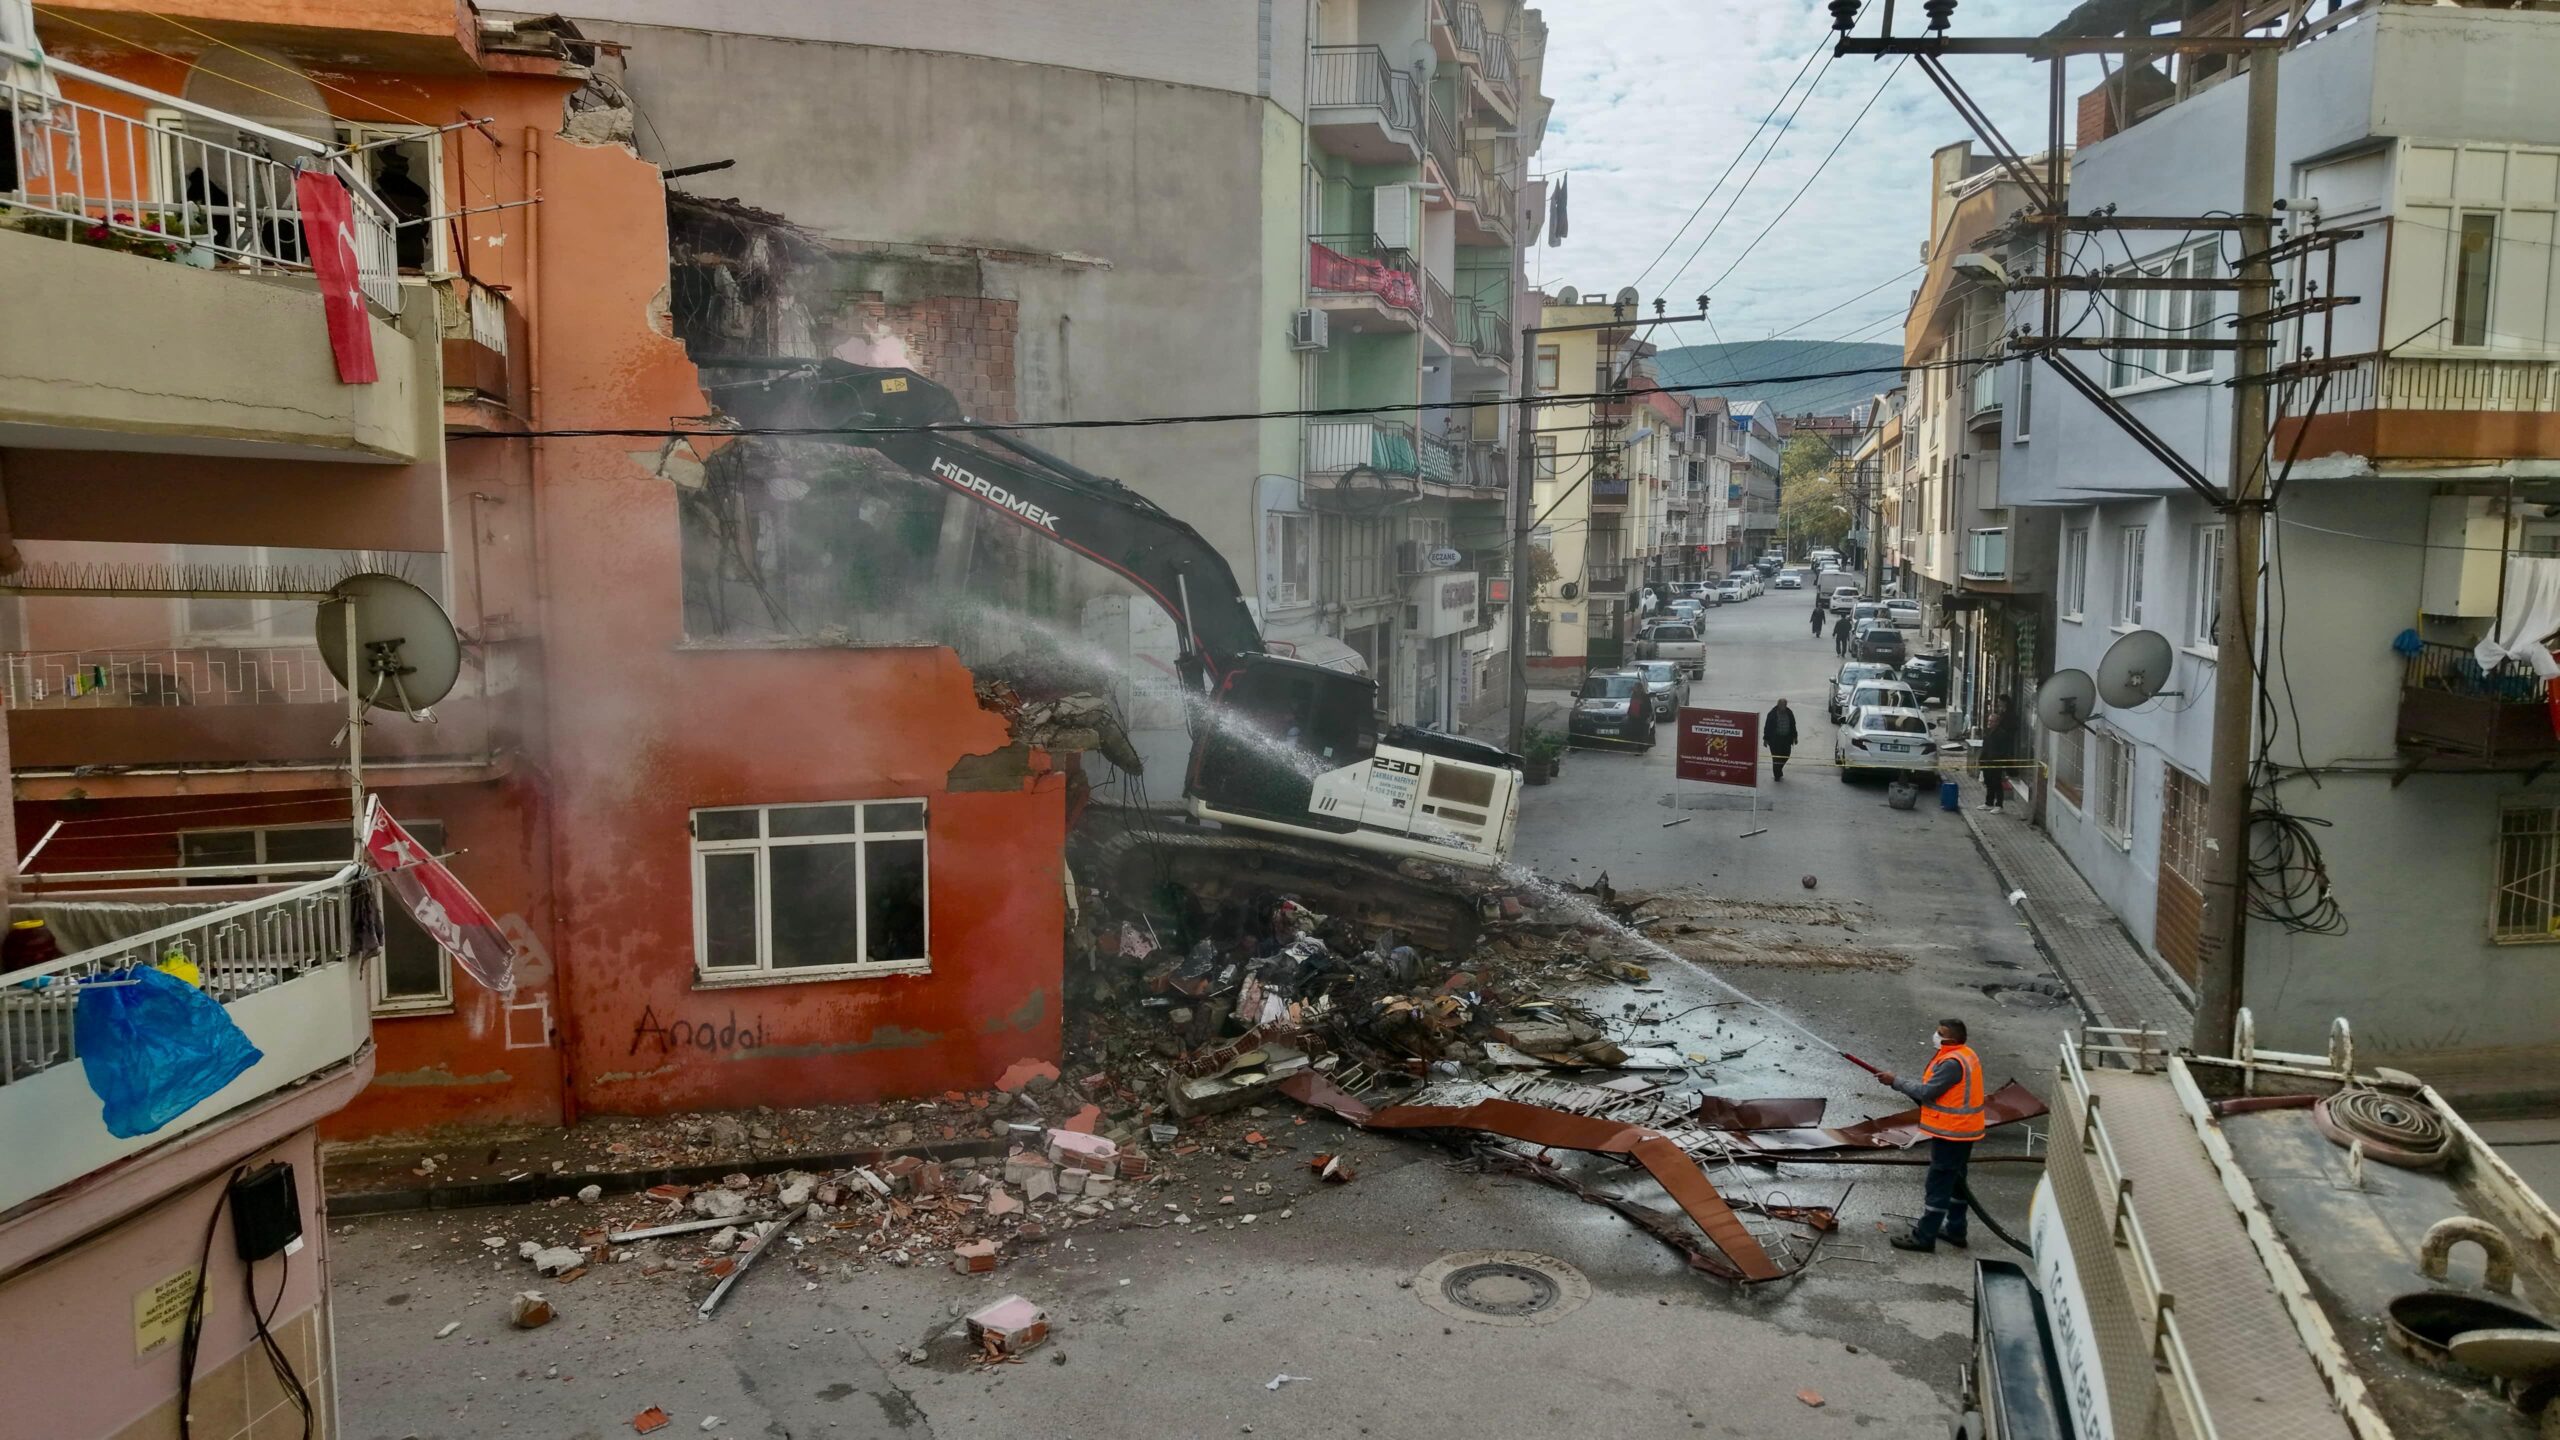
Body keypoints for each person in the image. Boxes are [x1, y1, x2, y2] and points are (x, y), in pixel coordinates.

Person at [1877, 1019, 1985, 1253]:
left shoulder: (1951, 1062)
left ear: (1952, 1039)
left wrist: (1895, 1081)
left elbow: (1927, 1092)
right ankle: (1956, 1230)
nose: (1935, 1036)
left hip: (1952, 1133)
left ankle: (1924, 1237)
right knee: (1957, 1182)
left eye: (1940, 1033)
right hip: (1964, 1130)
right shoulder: (1965, 1054)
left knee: (1938, 1183)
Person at [1981, 699, 2022, 811]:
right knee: (1989, 783)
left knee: (1997, 784)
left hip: (1996, 763)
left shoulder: (2001, 735)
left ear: (1997, 722)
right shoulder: (1988, 733)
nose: (1989, 723)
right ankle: (1988, 803)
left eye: (1991, 721)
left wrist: (1999, 761)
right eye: (1988, 721)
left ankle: (1999, 805)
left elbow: (2004, 750)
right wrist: (1981, 762)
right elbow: (1985, 748)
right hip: (1987, 763)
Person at [1764, 698, 1798, 781]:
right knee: (1776, 758)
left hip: (1786, 739)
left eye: (1785, 705)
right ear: (1778, 705)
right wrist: (1766, 739)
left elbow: (1793, 725)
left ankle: (1778, 769)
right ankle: (1777, 775)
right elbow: (1767, 727)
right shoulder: (1772, 714)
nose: (1783, 707)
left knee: (1786, 755)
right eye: (1782, 705)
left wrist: (1795, 737)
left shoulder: (1789, 713)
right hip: (1775, 740)